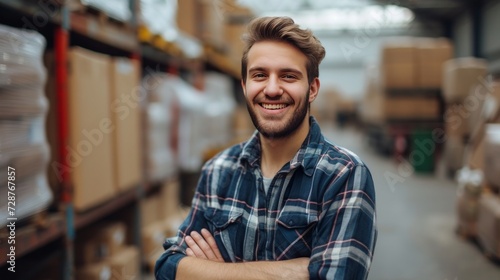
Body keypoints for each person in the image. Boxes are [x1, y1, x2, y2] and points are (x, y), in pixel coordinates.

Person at [155, 16, 377, 280]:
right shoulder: (218, 170)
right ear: (245, 86)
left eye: (288, 76)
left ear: (313, 89)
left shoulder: (344, 175)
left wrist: (211, 272)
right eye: (259, 75)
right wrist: (292, 271)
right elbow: (169, 267)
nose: (272, 89)